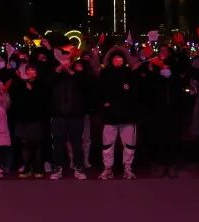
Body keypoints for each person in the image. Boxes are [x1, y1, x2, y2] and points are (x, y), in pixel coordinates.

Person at [97, 47, 140, 180]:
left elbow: (136, 93)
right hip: (110, 116)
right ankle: (108, 168)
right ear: (111, 60)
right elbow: (99, 91)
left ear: (124, 60)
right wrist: (103, 102)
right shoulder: (105, 73)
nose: (117, 60)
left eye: (119, 58)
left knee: (129, 144)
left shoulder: (130, 73)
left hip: (127, 116)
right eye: (114, 58)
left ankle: (127, 168)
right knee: (107, 144)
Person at [49, 55, 88, 180]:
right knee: (58, 143)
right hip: (58, 115)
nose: (65, 62)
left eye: (67, 60)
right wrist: (60, 68)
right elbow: (47, 83)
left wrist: (70, 71)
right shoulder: (55, 74)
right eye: (63, 59)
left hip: (75, 115)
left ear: (71, 62)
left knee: (77, 143)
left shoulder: (78, 74)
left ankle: (79, 168)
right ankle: (57, 169)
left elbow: (84, 85)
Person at [11, 63, 49, 178]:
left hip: (36, 118)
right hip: (22, 119)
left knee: (37, 144)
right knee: (24, 143)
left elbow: (42, 100)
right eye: (28, 70)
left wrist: (30, 89)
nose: (30, 72)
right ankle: (27, 168)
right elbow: (15, 98)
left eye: (33, 70)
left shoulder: (41, 84)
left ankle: (38, 169)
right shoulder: (19, 84)